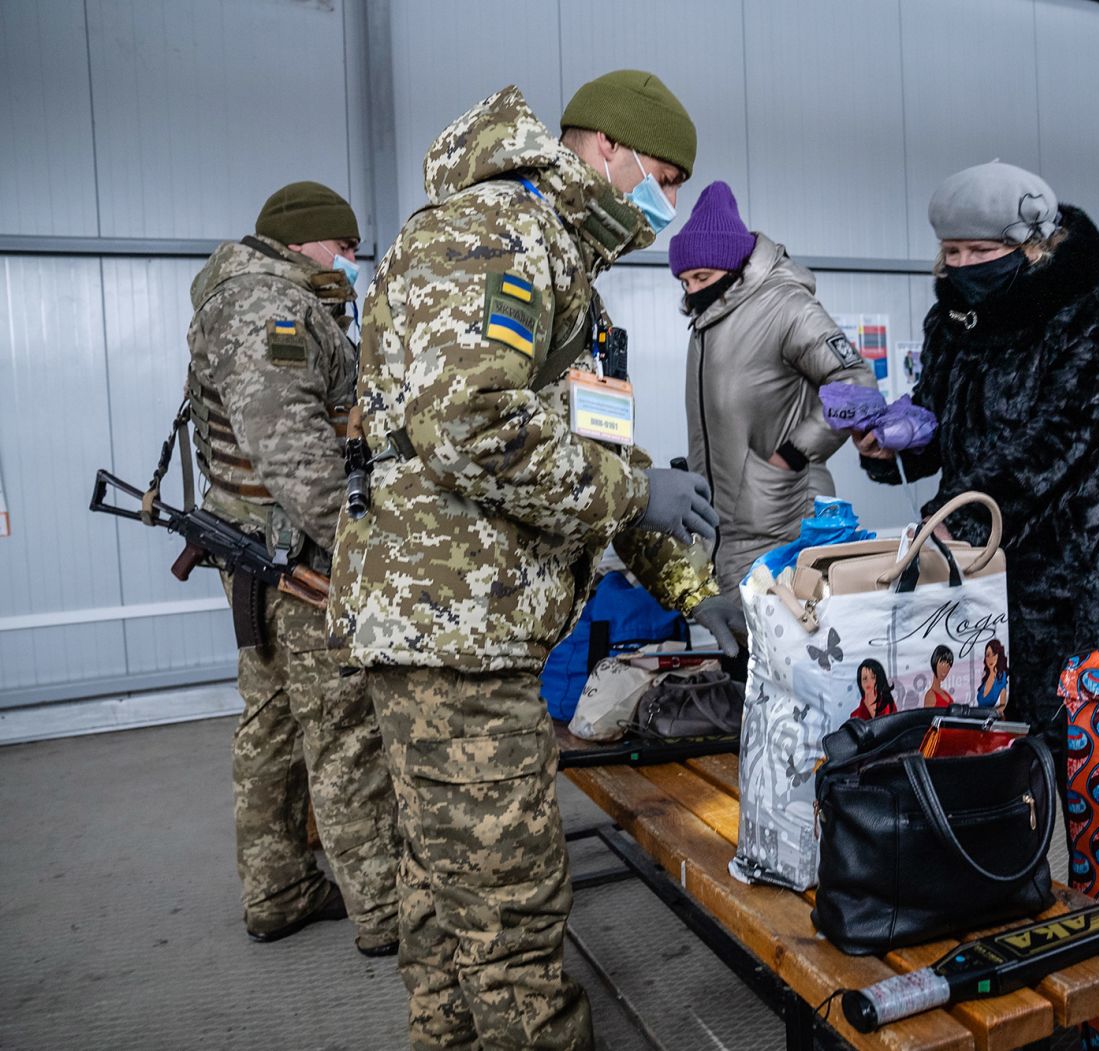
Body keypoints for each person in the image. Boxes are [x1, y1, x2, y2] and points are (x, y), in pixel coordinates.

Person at [328, 74, 744, 1049]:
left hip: (474, 626)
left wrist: (691, 587)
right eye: (663, 176)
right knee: (513, 907)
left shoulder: (559, 260)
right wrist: (636, 495)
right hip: (451, 627)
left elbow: (585, 451)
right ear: (605, 150)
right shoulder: (496, 234)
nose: (668, 205)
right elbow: (470, 425)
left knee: (443, 886)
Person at [858, 161, 1099, 763]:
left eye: (981, 249)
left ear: (1031, 246)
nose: (965, 264)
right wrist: (893, 446)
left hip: (1081, 569)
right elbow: (937, 422)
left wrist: (967, 516)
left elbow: (1065, 438)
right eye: (953, 251)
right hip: (983, 571)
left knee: (1086, 748)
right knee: (990, 744)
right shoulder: (953, 325)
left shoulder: (1091, 318)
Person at [185, 182, 399, 955]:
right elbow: (295, 452)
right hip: (296, 556)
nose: (349, 260)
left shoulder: (256, 297)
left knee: (270, 721)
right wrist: (365, 551)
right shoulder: (267, 308)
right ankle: (384, 910)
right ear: (304, 239)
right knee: (343, 730)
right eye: (342, 246)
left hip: (259, 550)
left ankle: (278, 888)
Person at [670, 180, 879, 601]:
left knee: (793, 654)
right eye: (685, 281)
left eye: (702, 277)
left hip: (785, 524)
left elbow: (856, 385)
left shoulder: (786, 306)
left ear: (733, 266)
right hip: (726, 533)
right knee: (746, 658)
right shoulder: (708, 322)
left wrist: (792, 455)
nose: (693, 291)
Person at [977, 639, 1009, 710]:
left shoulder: (1002, 677)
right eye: (988, 655)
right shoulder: (985, 677)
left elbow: (1003, 706)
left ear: (999, 655)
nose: (990, 659)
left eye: (994, 654)